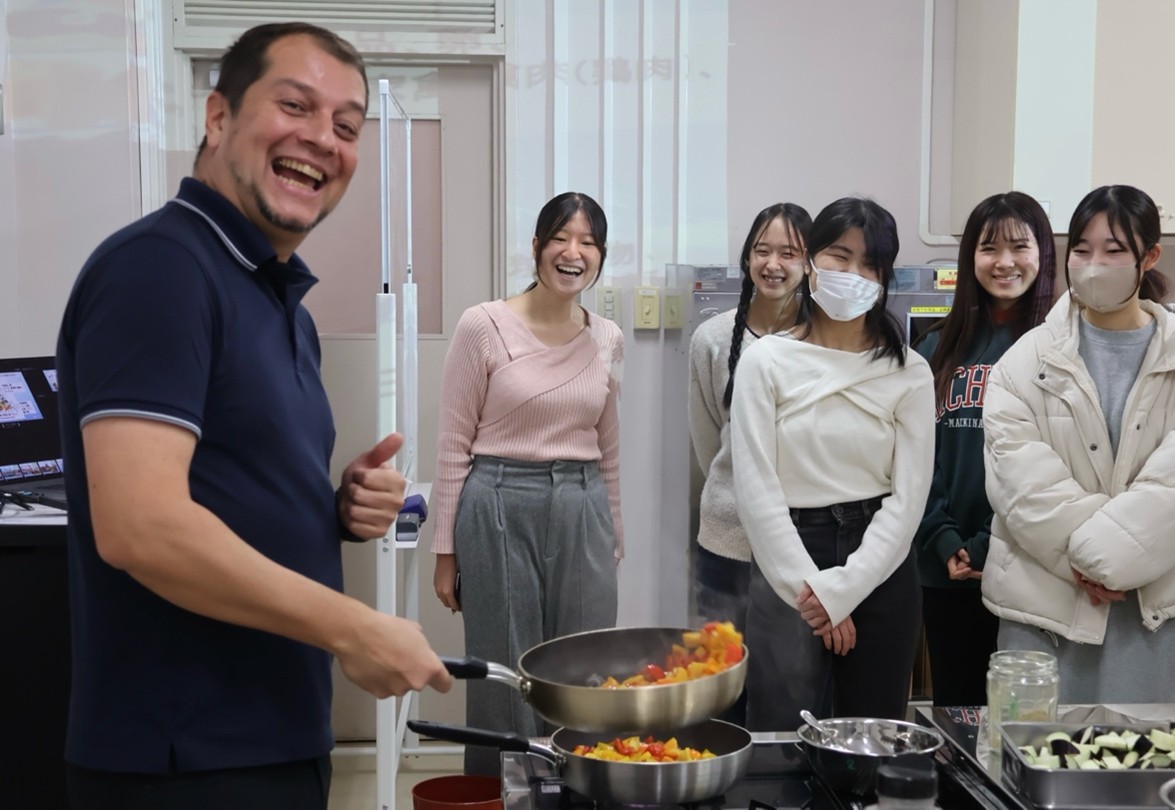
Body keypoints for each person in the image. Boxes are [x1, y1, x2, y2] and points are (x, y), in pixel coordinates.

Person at [56, 23, 451, 809]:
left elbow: (225, 487)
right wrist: (354, 628)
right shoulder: (160, 269)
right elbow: (142, 526)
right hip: (185, 759)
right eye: (294, 105)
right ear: (217, 117)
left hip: (273, 736)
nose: (321, 139)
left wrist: (335, 509)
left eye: (345, 126)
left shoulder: (277, 301)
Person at [431, 192, 624, 775]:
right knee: (503, 673)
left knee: (586, 669)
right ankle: (502, 793)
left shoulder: (608, 337)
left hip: (582, 501)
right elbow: (452, 443)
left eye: (588, 242)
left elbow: (609, 446)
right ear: (537, 247)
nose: (574, 252)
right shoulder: (483, 324)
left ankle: (579, 789)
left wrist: (613, 531)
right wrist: (445, 551)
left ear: (600, 257)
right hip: (496, 501)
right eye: (561, 238)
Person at [730, 197, 935, 730]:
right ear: (812, 261)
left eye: (871, 264)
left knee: (871, 739)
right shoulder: (765, 360)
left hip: (882, 564)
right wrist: (815, 591)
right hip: (789, 558)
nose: (854, 273)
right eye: (840, 256)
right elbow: (757, 490)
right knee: (780, 737)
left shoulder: (909, 370)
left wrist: (845, 589)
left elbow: (909, 498)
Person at [982, 184, 1175, 703]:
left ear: (1148, 257)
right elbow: (1022, 487)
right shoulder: (1022, 364)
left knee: (1149, 770)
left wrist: (1114, 557)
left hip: (1155, 612)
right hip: (1045, 606)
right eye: (1082, 250)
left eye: (1114, 251)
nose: (1093, 265)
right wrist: (1092, 559)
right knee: (1031, 766)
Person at [911, 192, 1056, 707]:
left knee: (1020, 716)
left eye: (1020, 246)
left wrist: (988, 541)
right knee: (956, 710)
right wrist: (946, 538)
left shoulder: (1057, 348)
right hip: (944, 566)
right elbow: (913, 458)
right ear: (970, 257)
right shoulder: (934, 348)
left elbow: (1056, 465)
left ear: (1043, 253)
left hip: (1025, 562)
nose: (1005, 262)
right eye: (989, 247)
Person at [687, 202, 811, 724]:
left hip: (804, 543)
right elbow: (709, 438)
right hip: (727, 542)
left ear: (810, 263)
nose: (774, 264)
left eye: (789, 252)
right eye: (762, 250)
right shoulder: (712, 340)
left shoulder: (828, 340)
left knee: (792, 687)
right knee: (722, 691)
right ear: (746, 259)